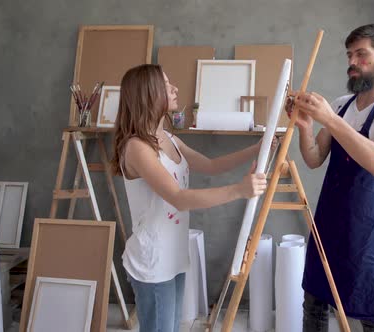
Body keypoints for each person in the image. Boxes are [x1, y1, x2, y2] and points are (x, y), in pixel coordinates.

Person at [110, 64, 268, 332]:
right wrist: (239, 190)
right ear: (148, 93)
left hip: (173, 254)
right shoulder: (136, 147)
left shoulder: (169, 138)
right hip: (153, 261)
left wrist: (258, 148)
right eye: (166, 84)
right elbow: (178, 198)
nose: (175, 89)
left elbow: (212, 165)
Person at [289, 24, 374, 331]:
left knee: (372, 316)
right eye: (350, 54)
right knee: (315, 304)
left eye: (362, 54)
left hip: (371, 230)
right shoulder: (340, 105)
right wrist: (305, 125)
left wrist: (331, 121)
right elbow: (314, 158)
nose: (353, 62)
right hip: (330, 221)